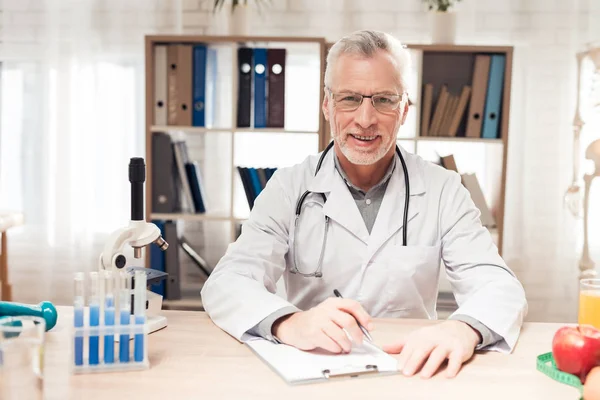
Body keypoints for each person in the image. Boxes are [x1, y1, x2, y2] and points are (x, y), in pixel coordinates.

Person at [201, 29, 528, 379]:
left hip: (412, 370)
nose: (365, 119)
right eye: (349, 98)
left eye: (384, 100)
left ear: (404, 109)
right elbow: (227, 281)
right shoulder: (289, 187)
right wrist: (288, 321)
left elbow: (499, 286)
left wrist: (463, 329)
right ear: (327, 105)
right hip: (312, 369)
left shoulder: (443, 189)